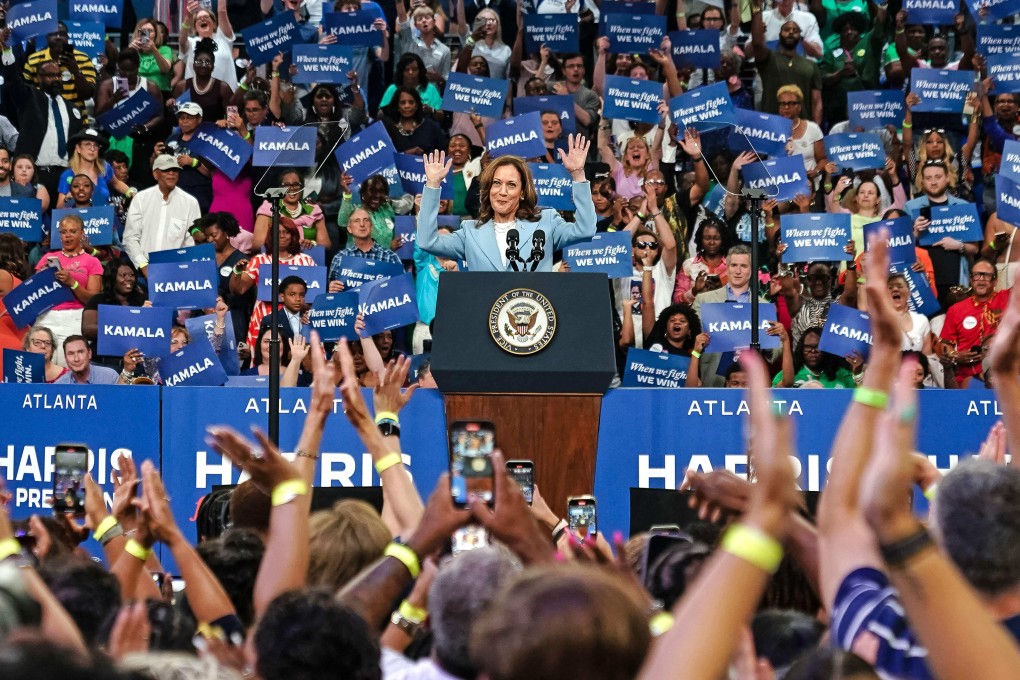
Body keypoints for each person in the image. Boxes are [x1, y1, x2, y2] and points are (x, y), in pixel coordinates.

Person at [417, 139, 595, 272]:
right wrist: (433, 184)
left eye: (511, 185)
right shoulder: (470, 232)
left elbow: (585, 229)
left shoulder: (546, 222)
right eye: (496, 183)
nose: (502, 191)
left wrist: (578, 174)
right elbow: (427, 241)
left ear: (523, 192)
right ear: (488, 189)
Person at [230, 217, 316, 347]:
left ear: (293, 235)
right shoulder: (260, 260)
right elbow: (239, 289)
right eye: (277, 232)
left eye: (286, 232)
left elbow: (314, 297)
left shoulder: (306, 261)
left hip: (298, 320)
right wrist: (237, 272)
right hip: (264, 319)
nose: (282, 235)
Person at [33, 214, 103, 366]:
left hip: (74, 318)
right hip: (47, 316)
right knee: (38, 366)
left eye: (72, 231)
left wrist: (72, 283)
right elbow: (34, 293)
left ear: (82, 233)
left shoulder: (92, 261)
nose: (68, 236)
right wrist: (43, 278)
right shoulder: (48, 258)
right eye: (64, 232)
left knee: (71, 365)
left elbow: (93, 300)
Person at [122, 154, 201, 278]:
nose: (171, 173)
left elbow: (190, 243)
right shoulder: (141, 199)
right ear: (155, 174)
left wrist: (182, 269)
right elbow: (130, 238)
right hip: (143, 270)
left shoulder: (190, 202)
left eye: (174, 170)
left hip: (176, 272)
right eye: (166, 170)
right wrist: (144, 266)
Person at [938, 259, 1009, 388]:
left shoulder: (1007, 299)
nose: (981, 279)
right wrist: (956, 355)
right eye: (977, 275)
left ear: (996, 281)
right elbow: (945, 345)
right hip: (968, 378)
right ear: (970, 280)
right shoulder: (956, 310)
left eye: (987, 275)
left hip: (1003, 375)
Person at [750, 6, 823, 123]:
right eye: (787, 29)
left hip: (802, 128)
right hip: (773, 127)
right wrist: (757, 8)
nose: (791, 32)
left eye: (795, 30)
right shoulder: (769, 59)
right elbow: (757, 43)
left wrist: (816, 130)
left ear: (800, 37)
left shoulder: (811, 65)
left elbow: (816, 102)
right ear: (779, 35)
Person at [22, 22, 97, 115]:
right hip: (45, 117)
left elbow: (87, 95)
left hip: (76, 117)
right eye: (53, 34)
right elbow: (25, 93)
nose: (58, 37)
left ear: (67, 37)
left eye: (62, 34)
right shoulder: (34, 60)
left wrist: (76, 71)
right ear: (47, 37)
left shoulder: (83, 58)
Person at [155, 101, 213, 213]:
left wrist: (194, 163)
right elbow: (156, 168)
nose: (184, 121)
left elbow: (212, 174)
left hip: (198, 198)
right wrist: (156, 156)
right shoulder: (172, 139)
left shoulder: (208, 141)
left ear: (199, 119)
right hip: (174, 195)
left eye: (189, 118)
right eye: (181, 118)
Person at [55, 129, 135, 209]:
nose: (92, 149)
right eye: (87, 144)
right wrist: (67, 200)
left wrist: (131, 193)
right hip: (79, 219)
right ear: (78, 148)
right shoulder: (68, 175)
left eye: (96, 145)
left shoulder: (105, 168)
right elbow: (59, 207)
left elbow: (116, 183)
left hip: (104, 218)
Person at [337, 174, 413, 252]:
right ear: (363, 193)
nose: (377, 195)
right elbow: (342, 222)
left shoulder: (386, 209)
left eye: (381, 191)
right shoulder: (356, 212)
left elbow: (406, 205)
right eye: (372, 191)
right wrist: (347, 193)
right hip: (358, 261)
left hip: (386, 261)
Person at [177, 0, 238, 91]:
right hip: (196, 97)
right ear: (195, 28)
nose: (203, 19)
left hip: (225, 95)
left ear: (214, 25)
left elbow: (222, 11)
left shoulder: (223, 38)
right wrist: (188, 17)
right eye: (199, 18)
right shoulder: (191, 42)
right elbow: (182, 41)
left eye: (206, 17)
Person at [674, 217, 729, 305]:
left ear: (723, 240)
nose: (712, 242)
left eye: (716, 238)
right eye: (707, 238)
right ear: (700, 239)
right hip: (696, 315)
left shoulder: (732, 265)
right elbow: (677, 299)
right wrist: (695, 290)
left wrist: (722, 285)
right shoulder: (689, 265)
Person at [380, 87, 448, 155]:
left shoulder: (431, 126)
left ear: (417, 106)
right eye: (403, 103)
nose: (407, 106)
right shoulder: (387, 128)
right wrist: (405, 153)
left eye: (411, 102)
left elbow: (445, 151)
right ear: (397, 107)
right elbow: (382, 156)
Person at [394, 5, 452, 85]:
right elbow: (403, 22)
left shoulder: (445, 50)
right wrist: (399, 2)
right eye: (420, 19)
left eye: (427, 18)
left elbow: (447, 79)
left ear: (434, 22)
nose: (424, 21)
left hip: (432, 94)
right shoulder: (409, 42)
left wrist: (438, 77)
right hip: (411, 92)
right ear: (416, 25)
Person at [53, 335, 123, 385]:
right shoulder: (59, 385)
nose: (76, 359)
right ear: (65, 358)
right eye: (71, 354)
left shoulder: (110, 377)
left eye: (80, 352)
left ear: (89, 353)